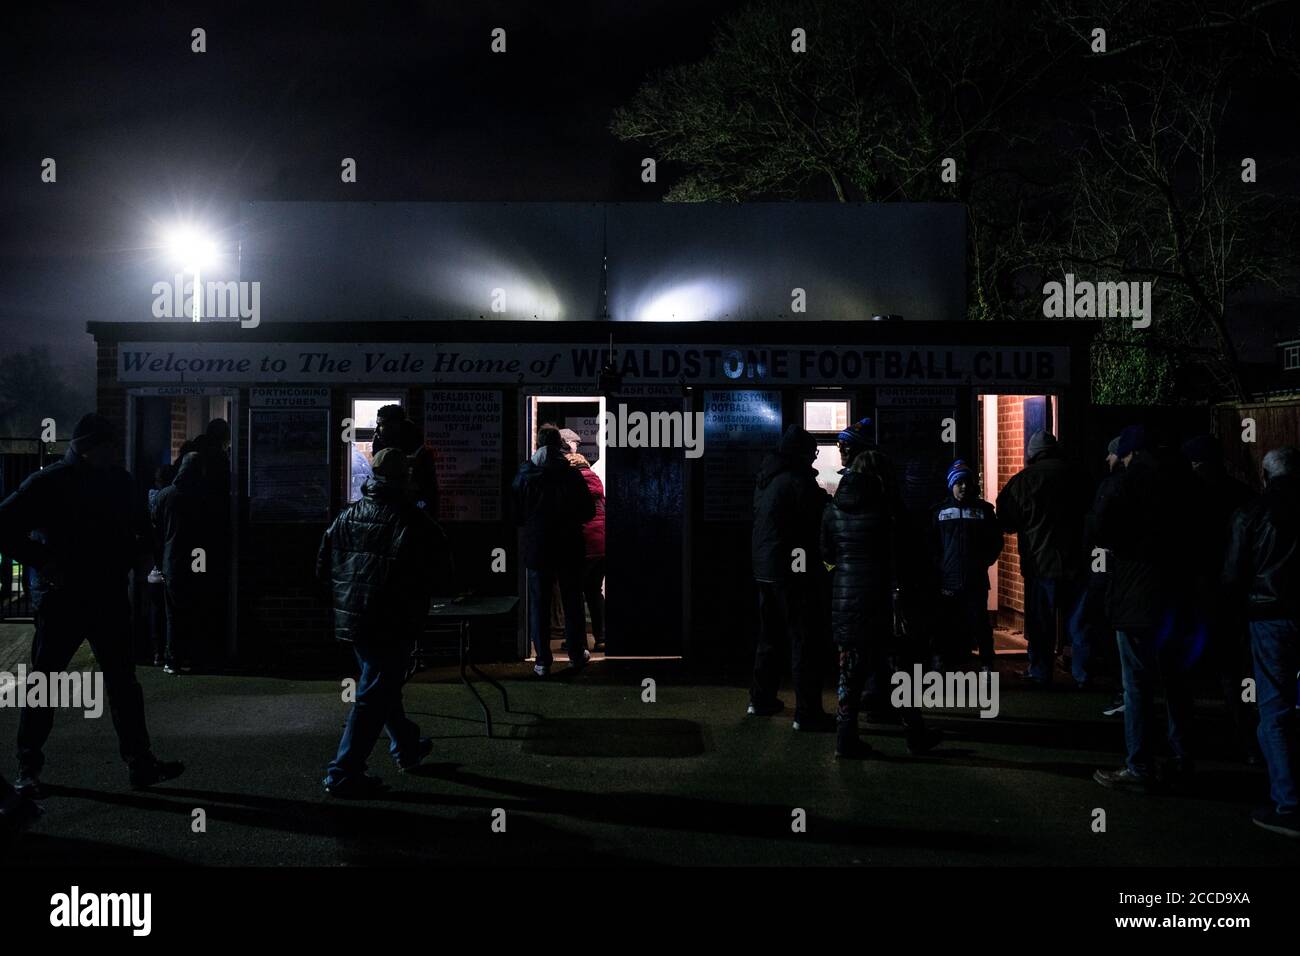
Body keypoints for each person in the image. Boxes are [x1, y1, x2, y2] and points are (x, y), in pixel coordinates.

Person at [0, 413, 184, 797]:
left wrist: (140, 552)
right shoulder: (51, 482)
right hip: (69, 598)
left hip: (98, 594)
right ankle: (31, 764)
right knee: (53, 681)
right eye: (109, 445)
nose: (116, 451)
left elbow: (140, 525)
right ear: (90, 448)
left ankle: (137, 761)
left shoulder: (109, 480)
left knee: (115, 682)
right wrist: (45, 561)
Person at [316, 447, 441, 797]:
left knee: (380, 684)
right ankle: (343, 772)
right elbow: (441, 570)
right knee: (374, 693)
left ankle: (407, 746)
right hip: (392, 620)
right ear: (406, 477)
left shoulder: (347, 515)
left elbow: (322, 566)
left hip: (354, 619)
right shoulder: (413, 520)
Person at [1093, 425, 1196, 793]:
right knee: (1177, 681)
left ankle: (1140, 765)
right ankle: (1182, 757)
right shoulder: (1185, 479)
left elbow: (1097, 529)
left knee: (1136, 683)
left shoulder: (1124, 484)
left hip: (1136, 596)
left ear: (1128, 452)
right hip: (1179, 594)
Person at [822, 449, 941, 757]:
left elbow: (826, 556)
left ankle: (845, 740)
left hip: (847, 602)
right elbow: (906, 556)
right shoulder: (889, 509)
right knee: (900, 671)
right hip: (883, 603)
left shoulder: (833, 508)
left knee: (849, 676)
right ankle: (915, 734)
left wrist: (840, 576)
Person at [1222, 446, 1300, 837]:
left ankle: (1289, 802)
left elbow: (1235, 573)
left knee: (1275, 708)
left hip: (1268, 617)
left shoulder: (1251, 513)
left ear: (1266, 477)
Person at [749, 424, 832, 731]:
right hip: (793, 571)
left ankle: (760, 699)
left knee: (769, 637)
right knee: (804, 639)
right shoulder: (798, 481)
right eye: (812, 451)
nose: (814, 457)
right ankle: (807, 712)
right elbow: (816, 522)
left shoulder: (766, 479)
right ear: (802, 453)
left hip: (765, 569)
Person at [1183, 434, 1259, 763]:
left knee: (1193, 668)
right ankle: (1249, 739)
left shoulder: (1188, 497)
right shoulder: (1244, 496)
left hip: (1200, 587)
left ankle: (1196, 743)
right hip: (1237, 593)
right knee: (1235, 668)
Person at [996, 430, 1091, 687]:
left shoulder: (1023, 481)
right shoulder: (1078, 476)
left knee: (1040, 623)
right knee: (1079, 622)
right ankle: (1084, 673)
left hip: (1040, 563)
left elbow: (1006, 520)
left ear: (1032, 454)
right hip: (1077, 562)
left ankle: (1040, 671)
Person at [512, 425, 595, 676]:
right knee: (572, 601)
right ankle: (576, 654)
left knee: (539, 604)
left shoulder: (525, 475)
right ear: (559, 444)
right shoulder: (571, 475)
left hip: (538, 546)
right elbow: (588, 511)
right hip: (569, 545)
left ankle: (542, 661)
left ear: (537, 443)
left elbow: (516, 514)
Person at [930, 460, 1002, 671]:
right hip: (948, 579)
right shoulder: (940, 512)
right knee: (943, 623)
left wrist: (983, 562)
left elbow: (995, 541)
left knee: (980, 624)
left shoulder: (984, 511)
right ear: (951, 484)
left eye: (966, 482)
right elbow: (931, 543)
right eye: (958, 482)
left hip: (975, 579)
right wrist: (940, 566)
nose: (963, 487)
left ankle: (987, 663)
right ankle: (940, 660)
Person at [152, 452, 218, 674]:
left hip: (173, 561)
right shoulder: (204, 496)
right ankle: (195, 656)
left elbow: (156, 532)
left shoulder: (166, 496)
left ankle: (173, 659)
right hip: (199, 559)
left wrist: (159, 561)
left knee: (174, 613)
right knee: (197, 609)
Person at [1085, 437, 1126, 716]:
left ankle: (1123, 692)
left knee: (1108, 631)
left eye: (1111, 454)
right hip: (1138, 580)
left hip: (1116, 575)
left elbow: (1097, 527)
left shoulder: (1111, 486)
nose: (1107, 460)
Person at [562, 432, 607, 654]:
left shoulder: (571, 483)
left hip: (582, 544)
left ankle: (576, 640)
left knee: (574, 592)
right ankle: (602, 637)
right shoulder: (596, 479)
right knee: (594, 590)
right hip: (602, 543)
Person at [373, 404, 439, 515]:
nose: (376, 431)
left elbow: (428, 498)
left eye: (381, 425)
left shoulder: (420, 453)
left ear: (394, 426)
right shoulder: (380, 443)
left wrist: (415, 509)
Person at [145, 462, 175, 668]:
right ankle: (169, 651)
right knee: (171, 611)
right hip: (169, 563)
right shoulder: (172, 498)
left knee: (156, 610)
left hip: (154, 566)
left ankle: (157, 652)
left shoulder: (152, 498)